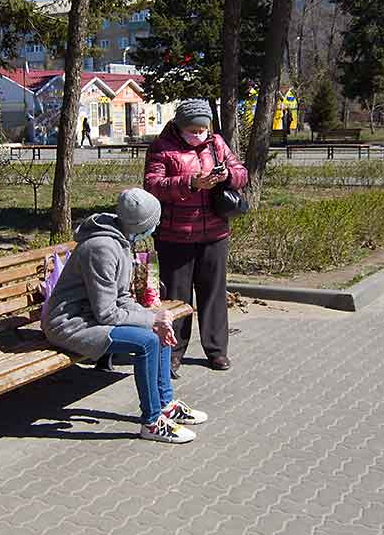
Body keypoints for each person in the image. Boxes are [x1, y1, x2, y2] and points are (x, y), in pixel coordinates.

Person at [41, 188, 207, 444]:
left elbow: (122, 297)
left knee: (160, 328)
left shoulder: (121, 239)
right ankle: (152, 422)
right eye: (154, 222)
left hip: (90, 317)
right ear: (141, 225)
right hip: (69, 323)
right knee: (147, 342)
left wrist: (156, 316)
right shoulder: (102, 249)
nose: (156, 227)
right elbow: (107, 313)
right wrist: (151, 320)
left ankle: (166, 405)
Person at [144, 99, 248, 378]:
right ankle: (173, 352)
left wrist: (227, 176)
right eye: (193, 130)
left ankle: (217, 350)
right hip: (175, 235)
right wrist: (190, 183)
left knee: (213, 293)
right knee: (176, 298)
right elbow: (152, 186)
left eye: (203, 129)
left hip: (214, 233)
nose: (199, 134)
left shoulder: (217, 143)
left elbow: (242, 173)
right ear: (180, 126)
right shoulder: (162, 147)